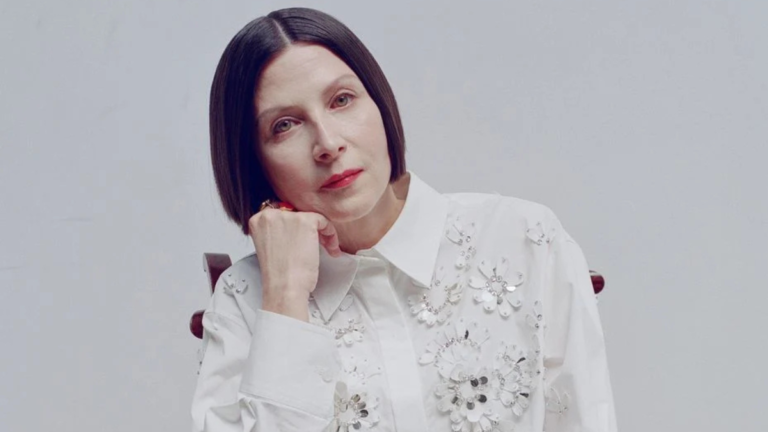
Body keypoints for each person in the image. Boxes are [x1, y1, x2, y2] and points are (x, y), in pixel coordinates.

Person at [191, 6, 617, 432]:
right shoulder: (245, 299)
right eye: (285, 125)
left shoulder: (525, 239)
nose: (328, 143)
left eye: (342, 100)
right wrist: (285, 297)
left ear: (379, 103)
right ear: (253, 162)